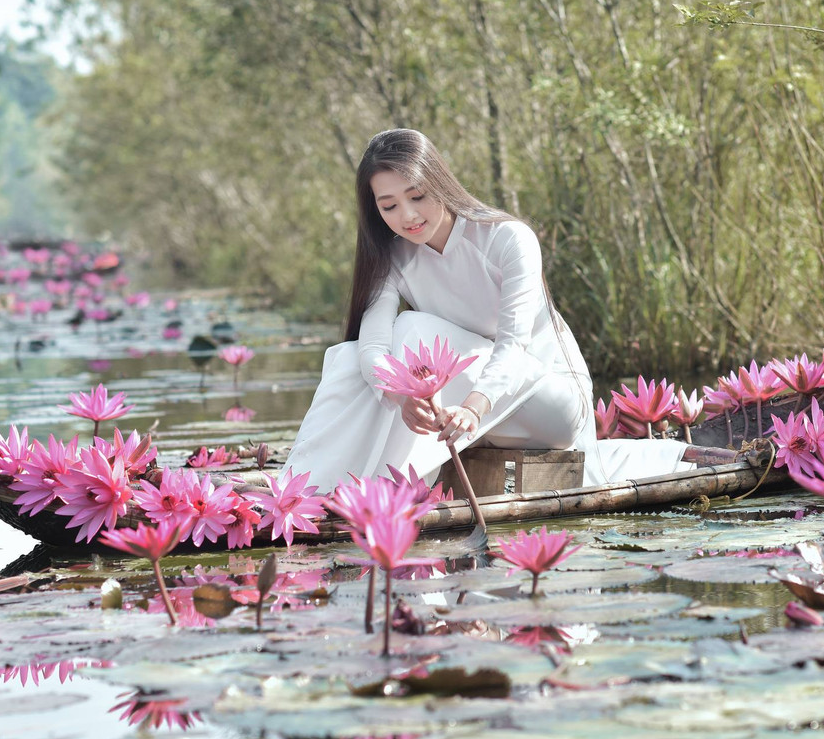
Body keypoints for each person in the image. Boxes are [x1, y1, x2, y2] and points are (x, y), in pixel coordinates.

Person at [281, 128, 692, 493]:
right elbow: (371, 344)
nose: (407, 216)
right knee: (350, 358)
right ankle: (307, 486)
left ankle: (365, 492)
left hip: (550, 404)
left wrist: (472, 406)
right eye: (388, 206)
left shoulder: (507, 239)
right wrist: (398, 395)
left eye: (417, 196)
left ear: (439, 183)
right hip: (468, 412)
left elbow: (514, 346)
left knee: (413, 328)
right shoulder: (393, 257)